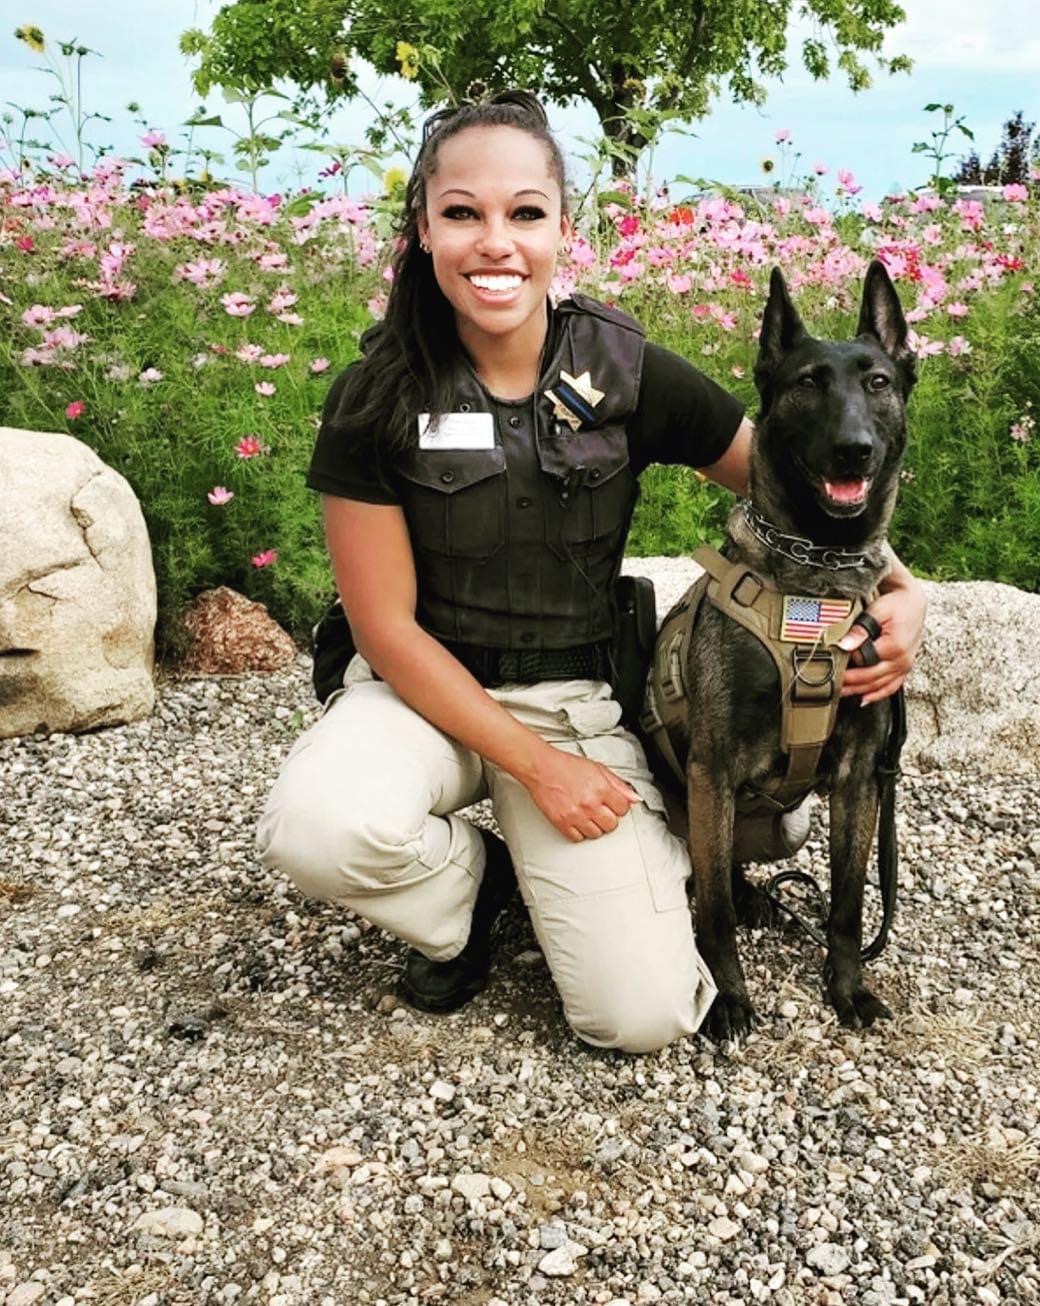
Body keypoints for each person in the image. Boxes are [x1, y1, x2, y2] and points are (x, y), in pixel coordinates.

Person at [254, 91, 927, 1054]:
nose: (496, 242)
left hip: (573, 698)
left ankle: (563, 881)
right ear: (422, 228)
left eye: (525, 213)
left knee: (642, 1014)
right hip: (420, 696)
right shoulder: (379, 392)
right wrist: (538, 771)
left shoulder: (623, 369)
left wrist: (905, 594)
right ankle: (473, 889)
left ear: (564, 227)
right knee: (317, 828)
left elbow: (798, 484)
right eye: (462, 213)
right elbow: (387, 633)